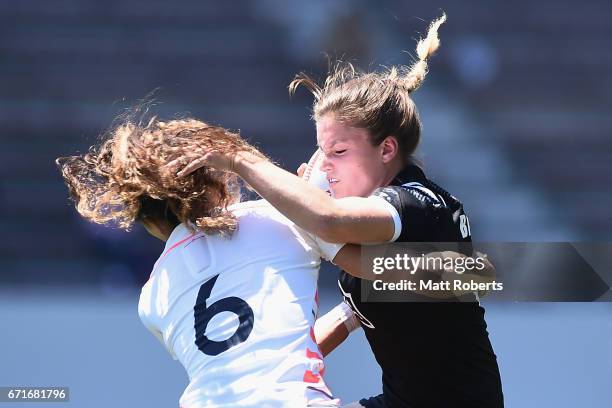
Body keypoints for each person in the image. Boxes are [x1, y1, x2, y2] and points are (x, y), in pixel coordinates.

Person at [169, 14, 505, 408]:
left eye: (340, 153)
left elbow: (329, 222)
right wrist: (266, 378)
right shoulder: (374, 229)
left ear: (387, 150)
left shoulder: (421, 204)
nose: (327, 167)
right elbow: (350, 313)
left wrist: (241, 161)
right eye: (323, 153)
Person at [57, 118, 345, 407]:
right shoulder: (278, 220)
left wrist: (351, 314)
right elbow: (373, 267)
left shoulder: (151, 299)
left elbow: (257, 360)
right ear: (217, 184)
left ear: (148, 221)